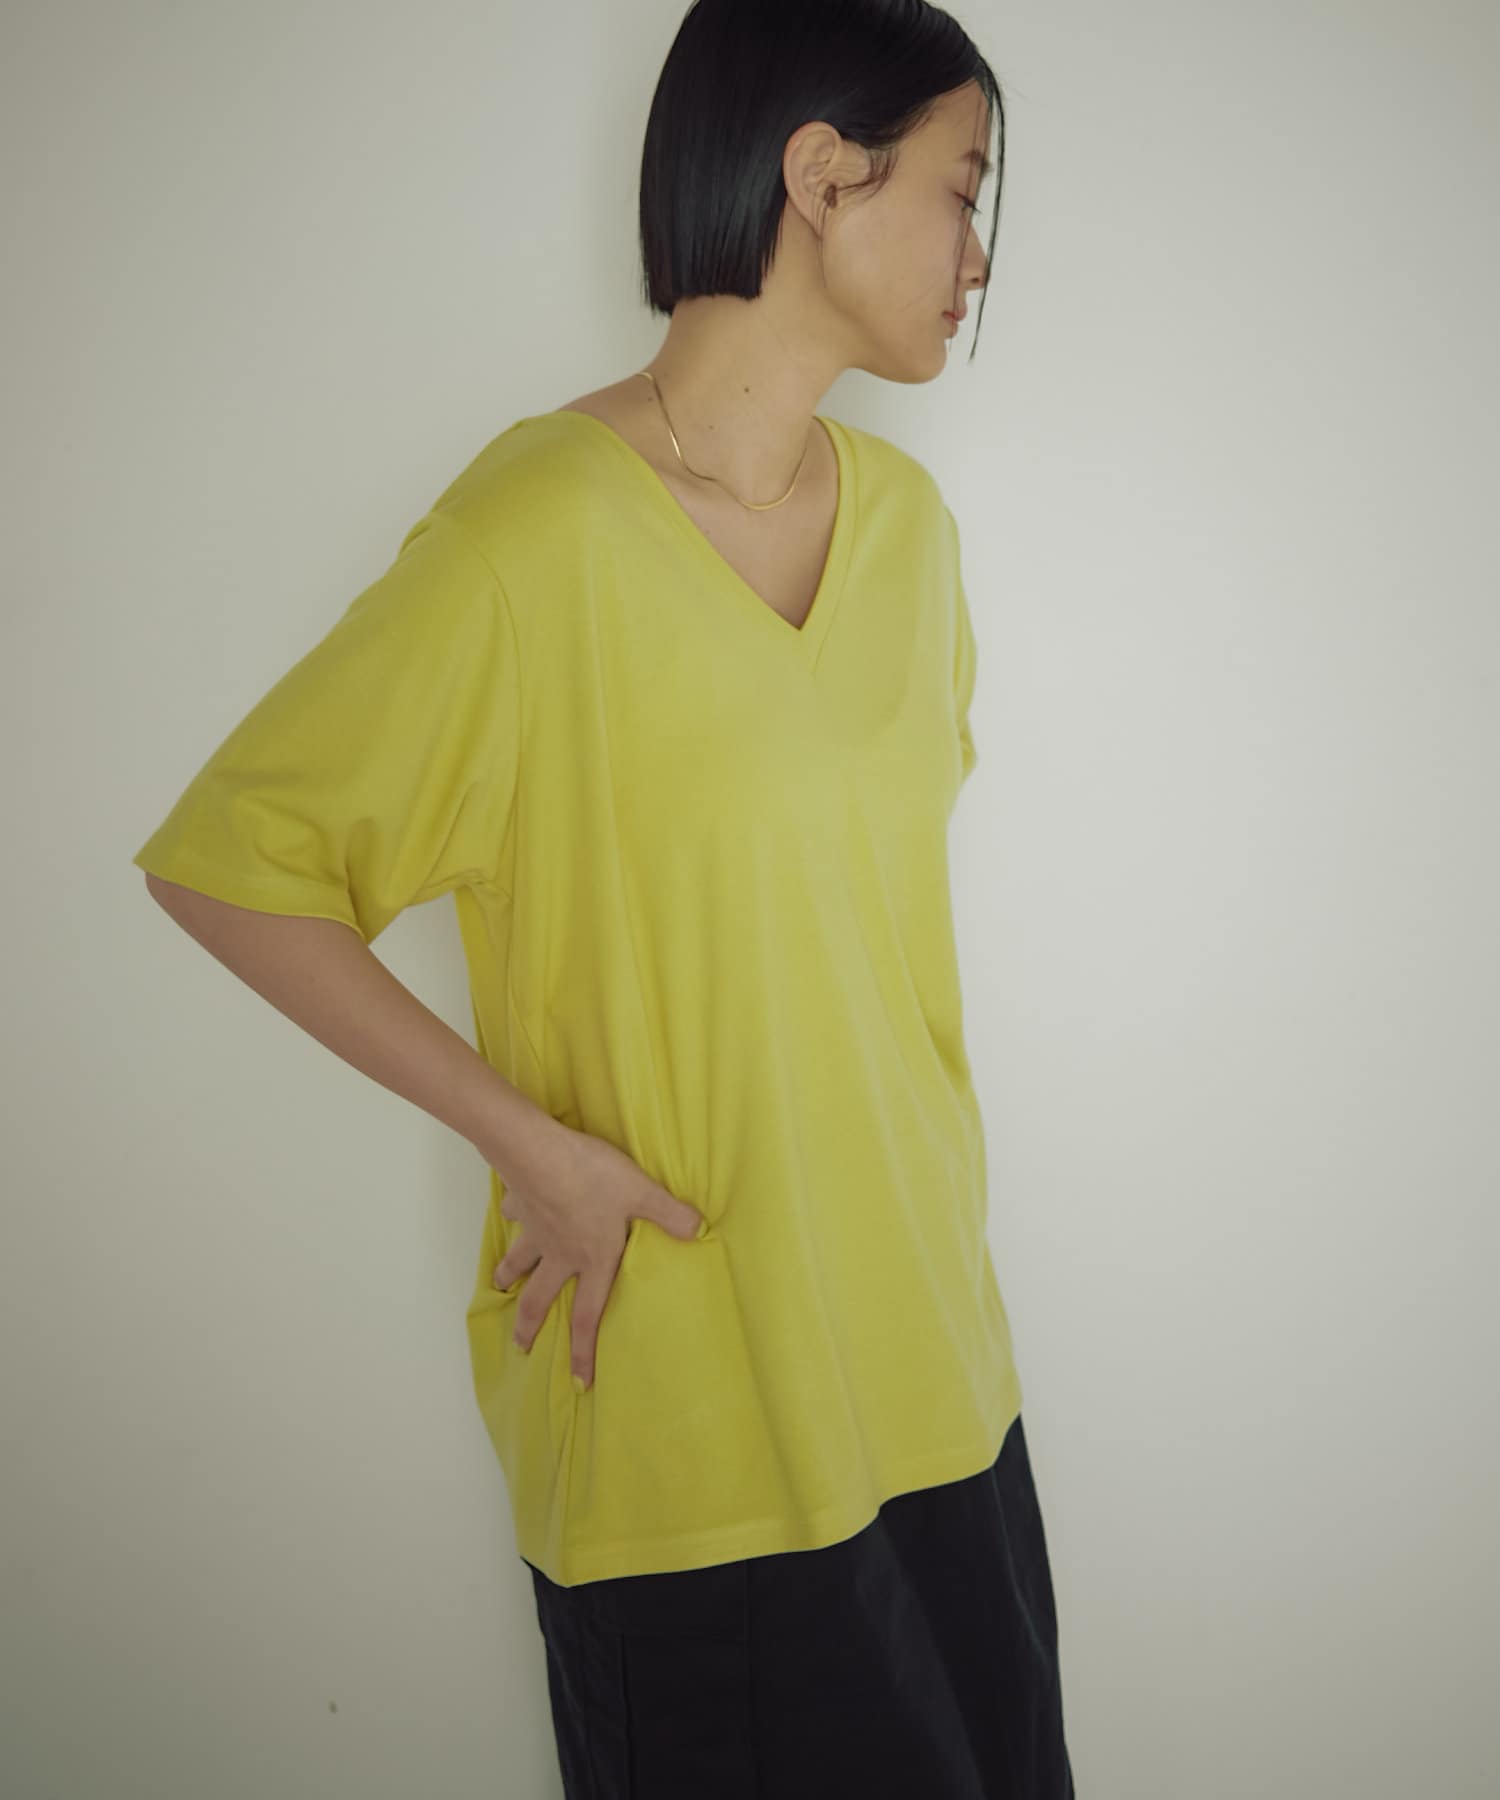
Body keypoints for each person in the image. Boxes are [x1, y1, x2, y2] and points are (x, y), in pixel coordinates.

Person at [133, 1, 1075, 1793]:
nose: (979, 255)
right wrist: (532, 1149)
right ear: (821, 175)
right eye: (964, 191)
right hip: (687, 1433)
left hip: (942, 1381)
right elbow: (236, 868)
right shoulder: (531, 539)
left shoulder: (911, 535)